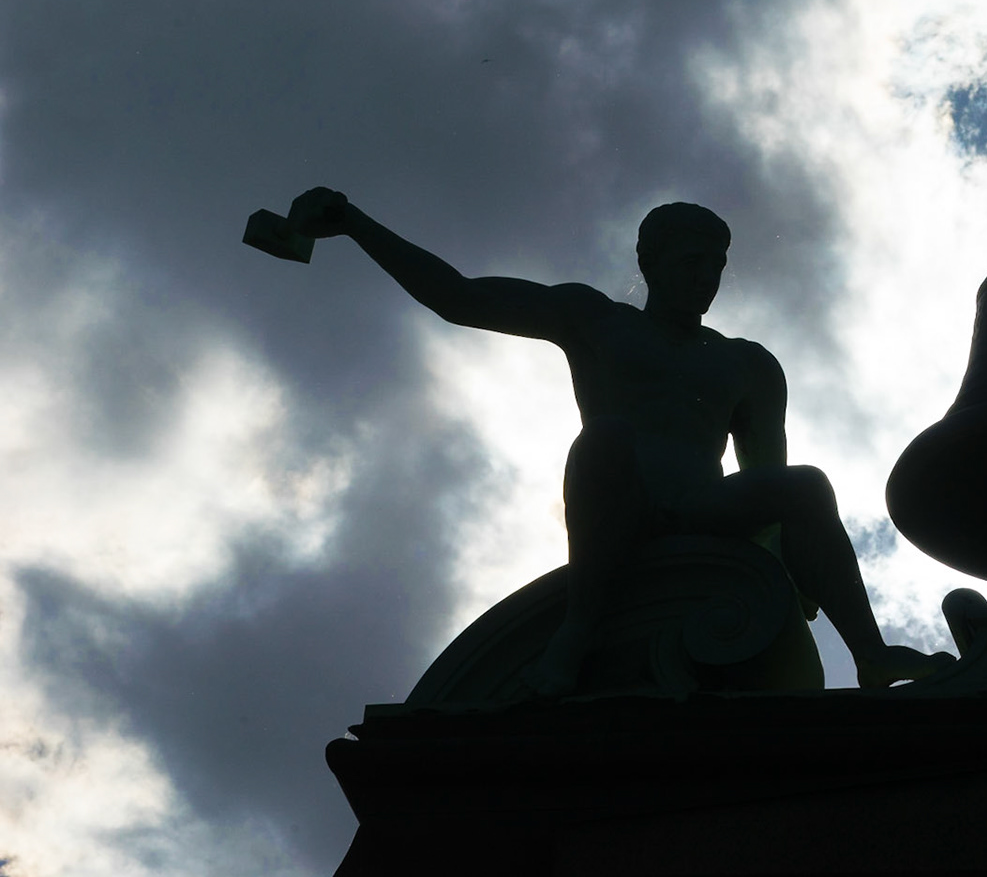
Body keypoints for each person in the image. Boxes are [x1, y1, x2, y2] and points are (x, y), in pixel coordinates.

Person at [285, 187, 949, 694]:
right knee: (605, 438)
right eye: (692, 262)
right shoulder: (594, 320)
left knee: (805, 485)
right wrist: (354, 223)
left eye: (716, 266)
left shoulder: (746, 363)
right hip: (618, 496)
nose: (706, 278)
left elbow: (766, 477)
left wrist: (785, 580)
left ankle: (870, 652)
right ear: (651, 262)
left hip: (701, 506)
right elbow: (457, 298)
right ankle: (579, 628)